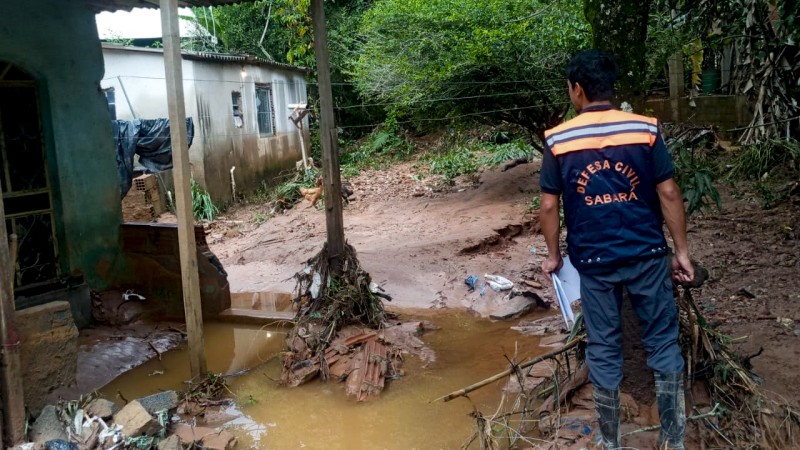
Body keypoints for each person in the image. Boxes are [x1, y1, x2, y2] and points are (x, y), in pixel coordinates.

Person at [539, 49, 694, 450]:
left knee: (604, 348)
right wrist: (681, 252)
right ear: (611, 86)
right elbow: (669, 192)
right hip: (647, 255)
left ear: (576, 89)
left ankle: (611, 442)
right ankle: (673, 441)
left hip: (593, 262)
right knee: (662, 341)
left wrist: (555, 257)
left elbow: (549, 205)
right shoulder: (645, 129)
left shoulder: (558, 139)